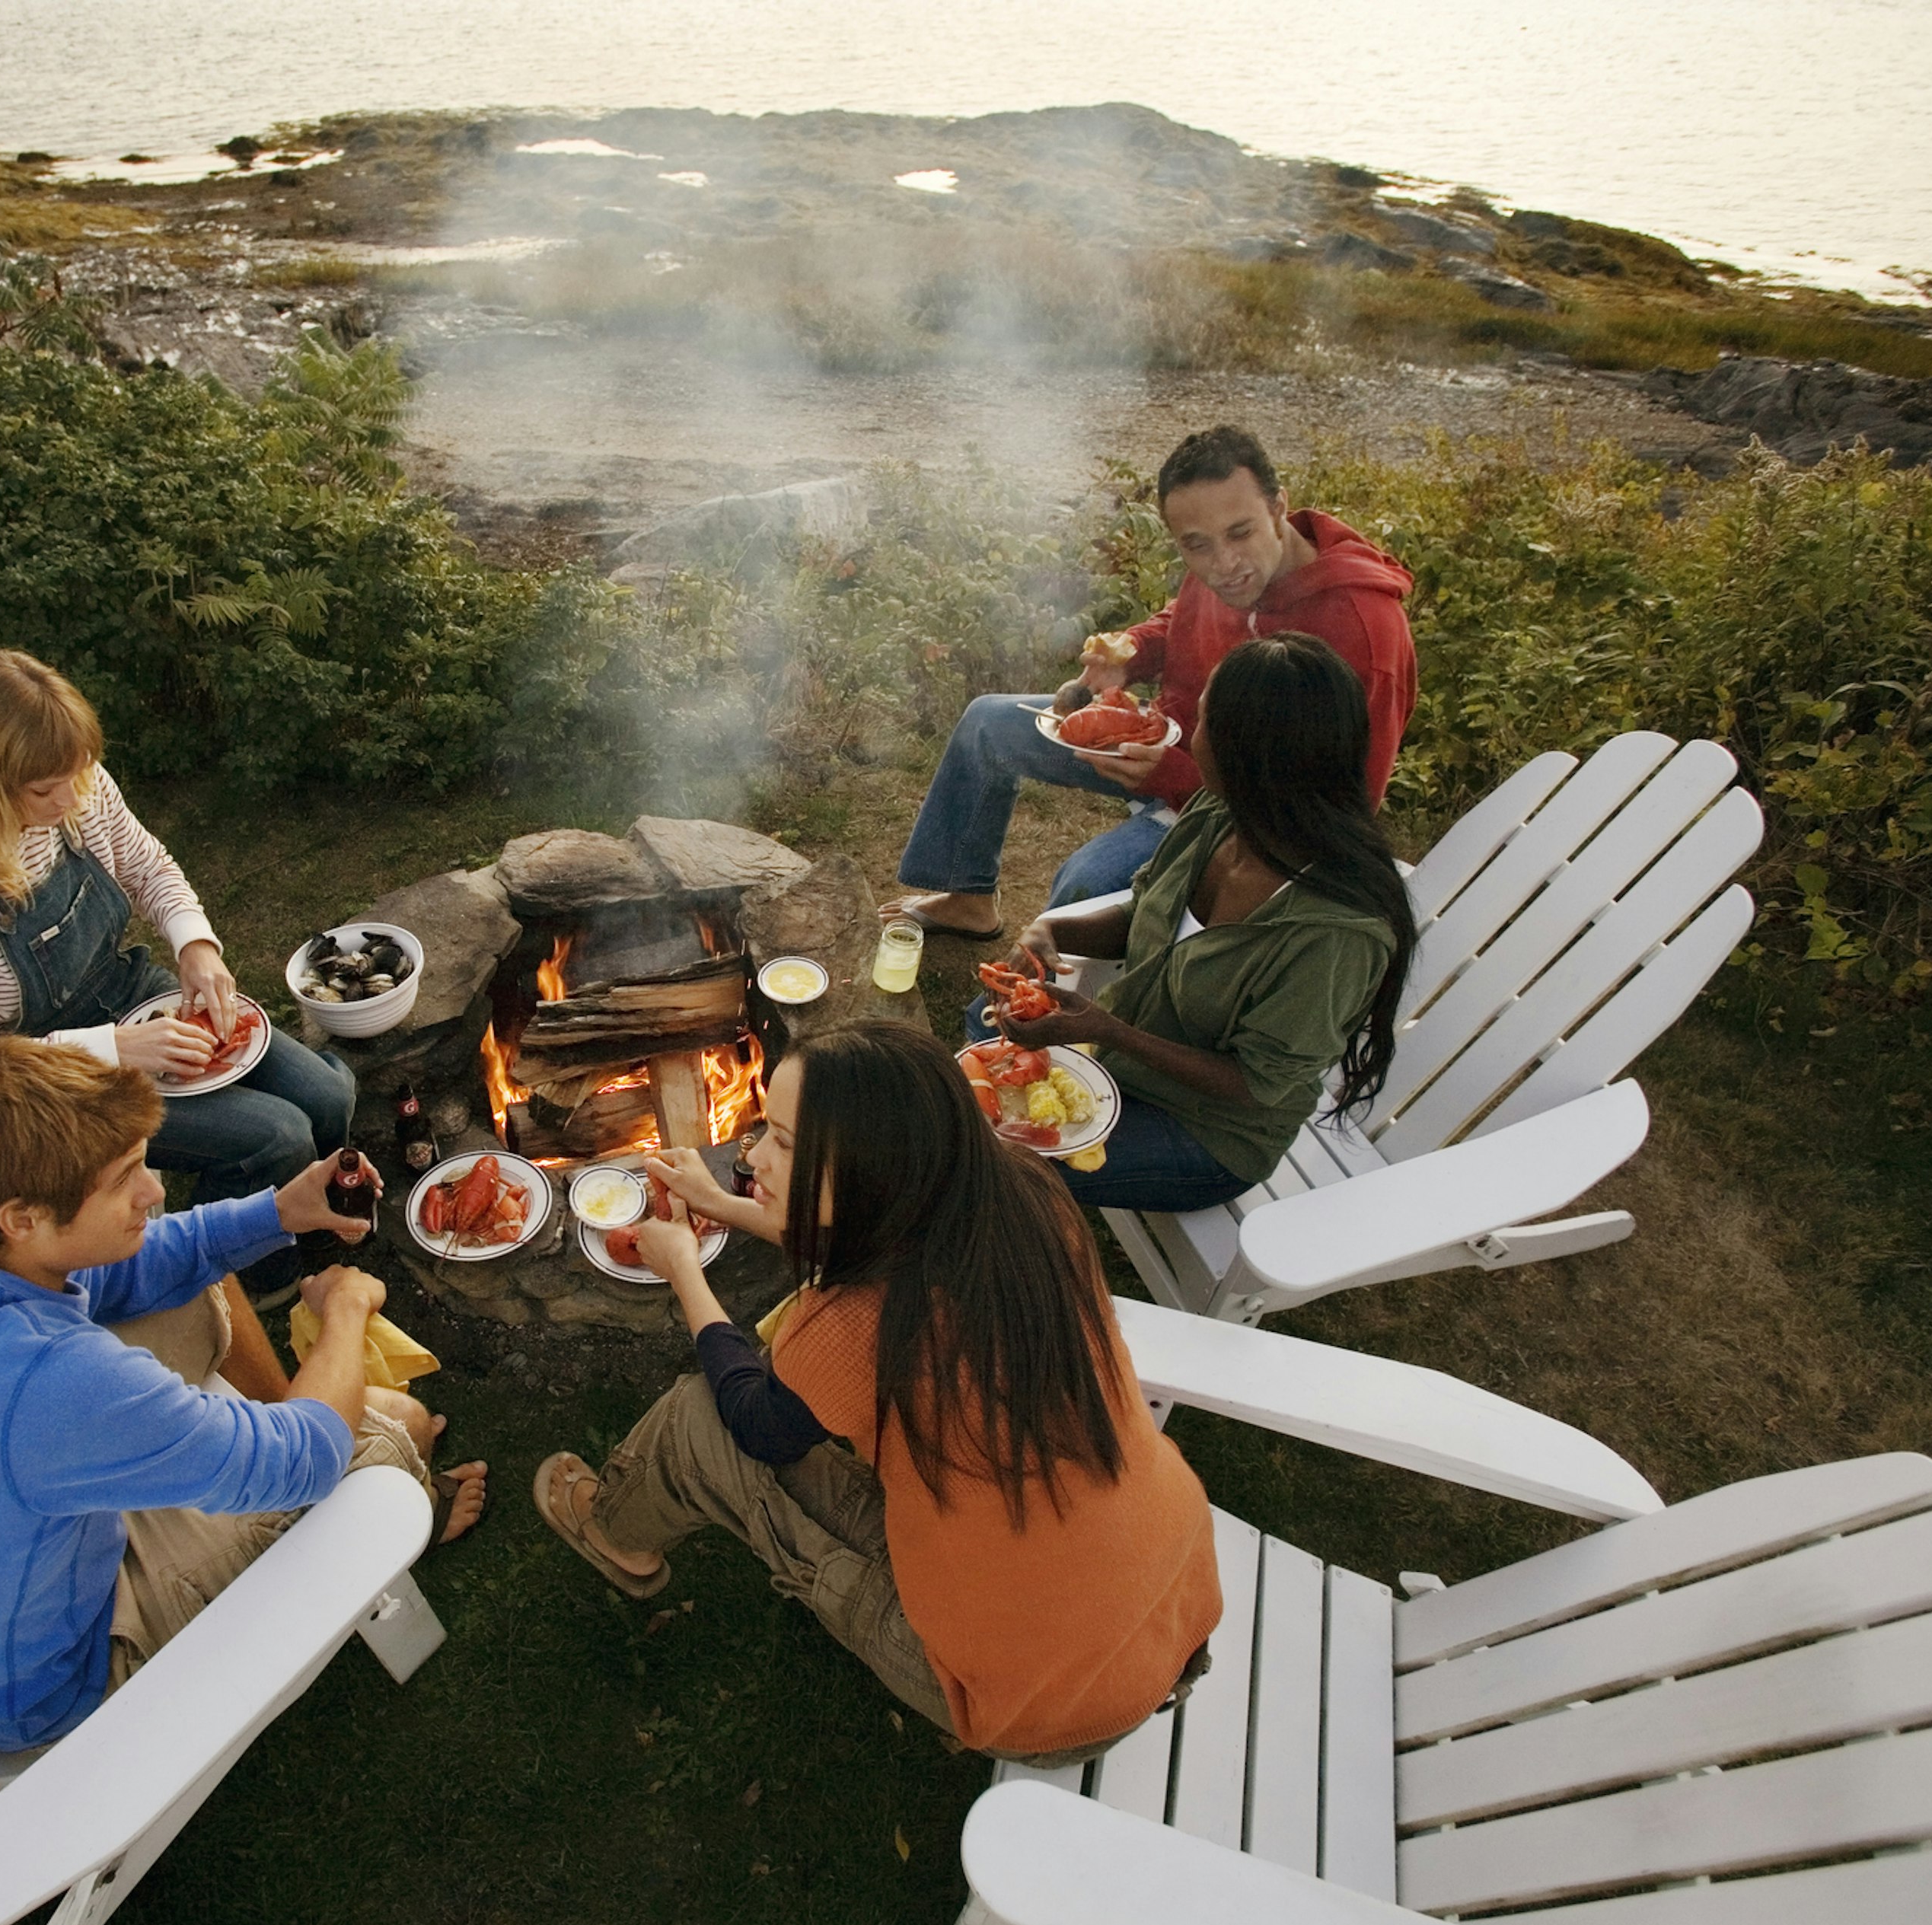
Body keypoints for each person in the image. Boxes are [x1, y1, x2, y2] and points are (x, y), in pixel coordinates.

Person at [534, 1021, 1223, 1766]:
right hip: (1170, 1600)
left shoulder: (853, 1323)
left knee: (695, 1420)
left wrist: (685, 1272)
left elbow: (758, 1424)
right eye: (767, 1130)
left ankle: (614, 1535)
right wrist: (722, 1205)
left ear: (868, 1171)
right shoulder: (1029, 1197)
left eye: (784, 1144)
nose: (753, 1157)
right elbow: (877, 1229)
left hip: (1044, 1708)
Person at [0, 1037, 485, 1749]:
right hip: (60, 1673)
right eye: (123, 1181)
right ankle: (415, 1502)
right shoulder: (54, 1381)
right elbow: (310, 1457)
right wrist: (347, 1309)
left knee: (194, 1278)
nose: (155, 1191)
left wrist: (278, 1211)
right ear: (22, 1217)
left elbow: (139, 1266)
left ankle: (265, 1428)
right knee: (399, 1427)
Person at [0, 648, 356, 1305]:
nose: (70, 799)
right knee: (276, 1136)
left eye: (76, 776)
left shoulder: (72, 780)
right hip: (36, 1087)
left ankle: (320, 1210)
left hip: (125, 993)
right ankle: (256, 1283)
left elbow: (148, 867)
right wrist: (114, 1049)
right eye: (44, 791)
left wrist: (195, 945)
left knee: (327, 1096)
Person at [880, 425, 1416, 934]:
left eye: (1241, 532)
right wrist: (1133, 652)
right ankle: (967, 900)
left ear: (1278, 509)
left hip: (1238, 815)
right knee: (988, 725)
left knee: (1083, 884)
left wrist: (1177, 778)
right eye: (1196, 545)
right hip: (1161, 739)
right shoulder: (1229, 568)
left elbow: (1344, 807)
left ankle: (1066, 999)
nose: (1224, 563)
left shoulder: (1364, 633)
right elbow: (1181, 614)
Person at [999, 633, 1417, 1214]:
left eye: (1201, 722)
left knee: (986, 1163)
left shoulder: (1336, 932)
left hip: (1207, 1133)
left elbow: (1255, 1085)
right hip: (1118, 1067)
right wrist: (1053, 932)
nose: (1189, 737)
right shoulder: (1218, 814)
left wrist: (1111, 1032)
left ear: (1245, 754)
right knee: (961, 1105)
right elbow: (1146, 912)